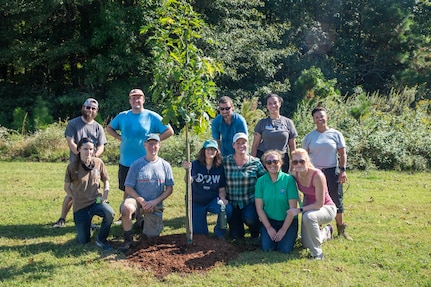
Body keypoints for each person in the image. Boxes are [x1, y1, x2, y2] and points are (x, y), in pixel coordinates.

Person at [106, 88, 174, 202]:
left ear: (143, 100)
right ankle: (126, 214)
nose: (136, 100)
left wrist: (155, 142)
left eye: (138, 98)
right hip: (126, 160)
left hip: (145, 161)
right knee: (127, 188)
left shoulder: (151, 116)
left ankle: (142, 214)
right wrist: (119, 137)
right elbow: (109, 128)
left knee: (144, 188)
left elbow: (169, 131)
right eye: (133, 98)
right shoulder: (123, 116)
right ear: (129, 101)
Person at [53, 98, 107, 228]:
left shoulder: (98, 127)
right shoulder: (73, 124)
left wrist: (93, 157)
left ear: (96, 111)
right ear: (83, 108)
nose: (90, 110)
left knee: (93, 194)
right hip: (76, 166)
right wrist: (81, 158)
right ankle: (62, 218)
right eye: (88, 107)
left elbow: (101, 146)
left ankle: (90, 221)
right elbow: (71, 142)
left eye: (93, 108)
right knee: (72, 193)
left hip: (92, 167)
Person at [302, 106, 352, 240]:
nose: (320, 119)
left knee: (336, 200)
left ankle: (341, 229)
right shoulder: (309, 137)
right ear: (313, 120)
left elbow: (342, 153)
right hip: (315, 173)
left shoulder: (336, 134)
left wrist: (343, 171)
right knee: (316, 199)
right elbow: (304, 157)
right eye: (316, 117)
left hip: (332, 172)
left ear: (326, 117)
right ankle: (316, 228)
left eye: (322, 116)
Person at [118, 134, 174, 252]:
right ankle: (128, 239)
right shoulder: (136, 164)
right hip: (137, 200)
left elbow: (169, 189)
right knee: (126, 208)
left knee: (151, 239)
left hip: (154, 204)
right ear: (144, 145)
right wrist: (142, 201)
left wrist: (154, 202)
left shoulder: (165, 165)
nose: (152, 146)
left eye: (155, 144)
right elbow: (128, 188)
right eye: (150, 143)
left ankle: (141, 221)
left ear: (159, 145)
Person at [64, 137, 114, 251]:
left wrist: (105, 195)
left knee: (109, 213)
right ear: (79, 149)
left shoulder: (98, 162)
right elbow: (66, 188)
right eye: (85, 149)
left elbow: (106, 180)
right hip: (80, 205)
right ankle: (87, 226)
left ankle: (101, 239)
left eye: (91, 149)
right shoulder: (72, 167)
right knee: (83, 241)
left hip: (96, 200)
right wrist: (75, 197)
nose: (89, 152)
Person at [290, 148, 336, 260]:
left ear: (307, 161)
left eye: (302, 161)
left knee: (309, 216)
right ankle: (326, 232)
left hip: (326, 208)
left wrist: (300, 210)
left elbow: (319, 203)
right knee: (305, 244)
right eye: (295, 162)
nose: (299, 164)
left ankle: (317, 253)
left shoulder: (317, 175)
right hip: (309, 208)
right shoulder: (294, 174)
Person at [183, 139, 233, 239]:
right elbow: (188, 181)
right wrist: (187, 171)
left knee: (226, 209)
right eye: (208, 149)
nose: (210, 152)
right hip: (196, 201)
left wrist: (222, 198)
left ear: (217, 152)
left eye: (213, 149)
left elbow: (221, 187)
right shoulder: (196, 164)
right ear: (204, 151)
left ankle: (219, 233)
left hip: (212, 200)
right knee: (200, 235)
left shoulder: (219, 167)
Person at [223, 132, 266, 239]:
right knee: (236, 235)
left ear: (247, 145)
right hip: (232, 203)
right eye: (238, 143)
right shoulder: (225, 161)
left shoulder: (255, 162)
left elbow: (265, 181)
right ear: (233, 145)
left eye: (243, 143)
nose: (241, 145)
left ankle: (255, 228)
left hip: (249, 202)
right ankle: (235, 227)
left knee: (250, 218)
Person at [255, 150, 299, 253]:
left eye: (275, 161)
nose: (272, 164)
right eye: (269, 162)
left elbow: (292, 209)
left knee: (285, 249)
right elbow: (259, 208)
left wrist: (283, 230)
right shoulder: (261, 181)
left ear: (280, 162)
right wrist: (269, 227)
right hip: (270, 220)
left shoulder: (289, 180)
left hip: (287, 220)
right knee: (267, 248)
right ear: (265, 165)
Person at [251, 93, 297, 173]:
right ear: (267, 106)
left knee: (281, 184)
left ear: (280, 104)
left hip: (282, 160)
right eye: (270, 103)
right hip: (264, 159)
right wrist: (251, 163)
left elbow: (292, 146)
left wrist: (294, 164)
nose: (273, 105)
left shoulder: (288, 122)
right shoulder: (262, 123)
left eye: (275, 103)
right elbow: (255, 145)